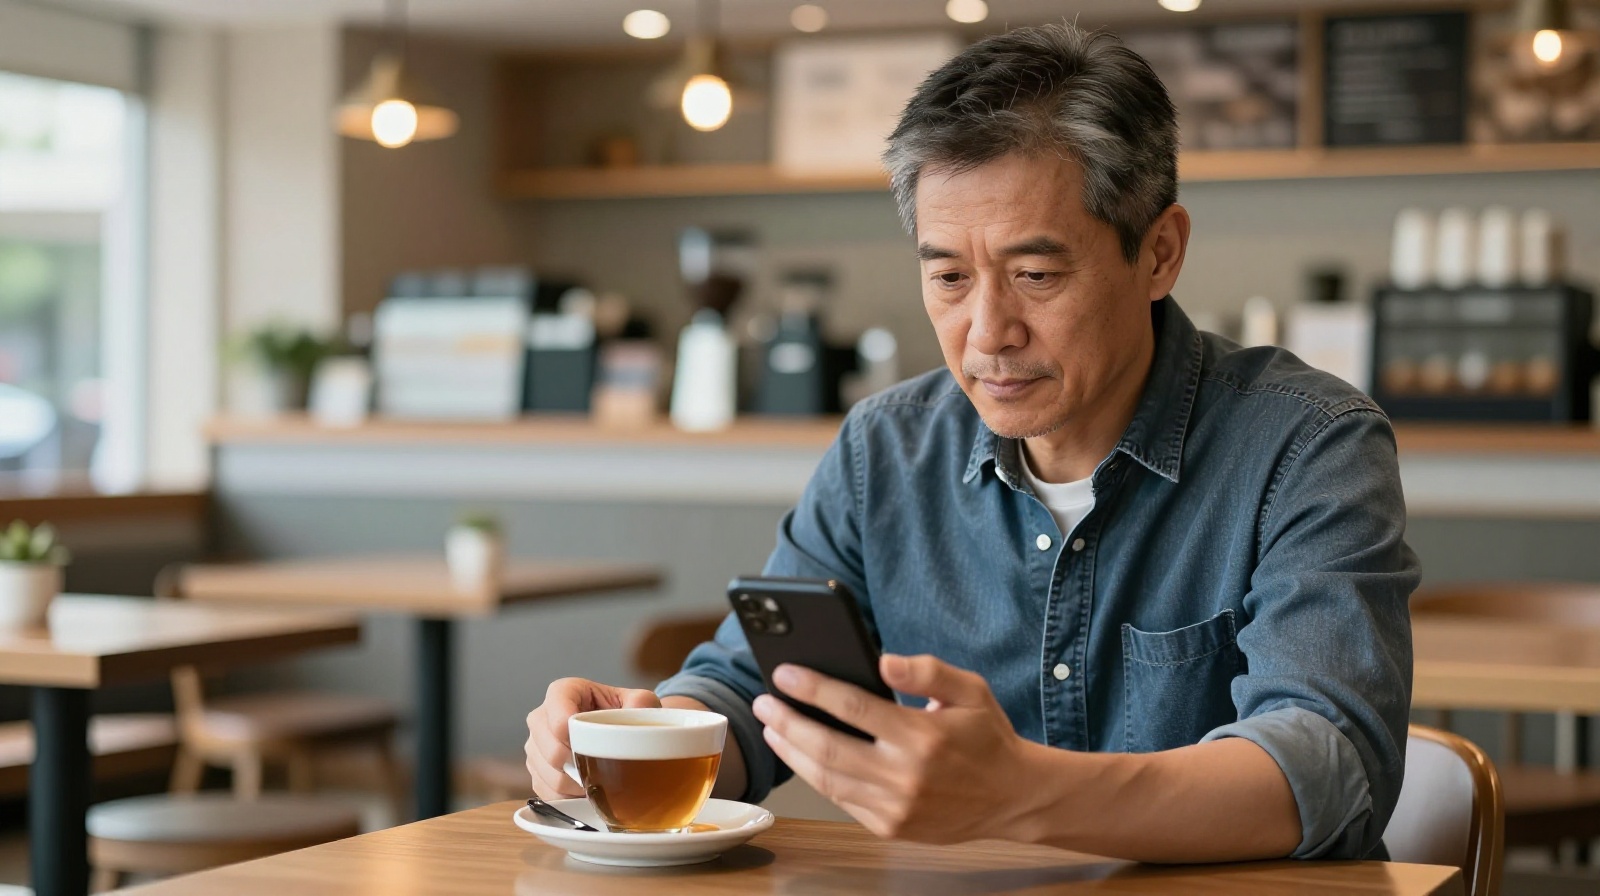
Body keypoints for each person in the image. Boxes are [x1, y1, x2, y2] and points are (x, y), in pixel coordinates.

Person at [526, 22, 1416, 863]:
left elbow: (1327, 765)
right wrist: (637, 737)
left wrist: (1022, 794)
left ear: (1160, 253)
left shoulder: (1307, 446)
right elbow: (758, 691)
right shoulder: (887, 451)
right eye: (949, 276)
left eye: (1035, 275)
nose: (988, 333)